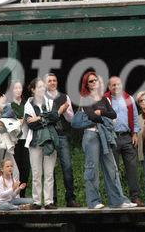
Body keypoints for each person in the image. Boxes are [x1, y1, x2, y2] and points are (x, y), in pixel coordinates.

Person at [79, 71, 137, 209]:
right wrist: (104, 117)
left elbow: (113, 114)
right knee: (92, 168)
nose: (94, 83)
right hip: (91, 135)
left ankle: (117, 200)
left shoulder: (104, 99)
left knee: (112, 168)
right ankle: (94, 201)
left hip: (105, 136)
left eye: (95, 80)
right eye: (90, 81)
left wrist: (102, 114)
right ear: (86, 85)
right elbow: (92, 117)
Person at [104, 76, 144, 207]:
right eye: (113, 85)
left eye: (118, 84)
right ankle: (116, 198)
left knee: (132, 168)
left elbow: (135, 118)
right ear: (109, 87)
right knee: (113, 169)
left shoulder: (129, 98)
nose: (116, 87)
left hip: (127, 137)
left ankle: (135, 197)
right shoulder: (105, 99)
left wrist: (135, 133)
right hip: (112, 137)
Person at [44, 73, 80, 207]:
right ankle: (52, 200)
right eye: (50, 81)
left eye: (54, 80)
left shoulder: (65, 97)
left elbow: (71, 119)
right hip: (48, 135)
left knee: (67, 167)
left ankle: (70, 199)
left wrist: (65, 111)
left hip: (62, 135)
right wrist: (58, 111)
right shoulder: (42, 97)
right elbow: (45, 117)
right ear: (45, 83)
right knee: (49, 169)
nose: (52, 83)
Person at [24, 78, 59, 210]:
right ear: (33, 90)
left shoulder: (50, 102)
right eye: (39, 87)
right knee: (36, 173)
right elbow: (31, 125)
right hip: (35, 142)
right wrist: (46, 118)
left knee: (49, 173)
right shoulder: (28, 105)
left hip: (49, 140)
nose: (42, 89)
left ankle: (49, 201)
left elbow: (55, 117)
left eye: (43, 87)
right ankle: (37, 202)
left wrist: (39, 117)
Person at [8, 81, 30, 198]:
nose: (18, 90)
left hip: (26, 138)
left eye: (19, 88)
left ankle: (22, 195)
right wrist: (18, 121)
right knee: (15, 167)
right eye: (15, 88)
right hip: (14, 140)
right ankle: (13, 195)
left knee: (26, 168)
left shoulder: (27, 104)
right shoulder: (8, 105)